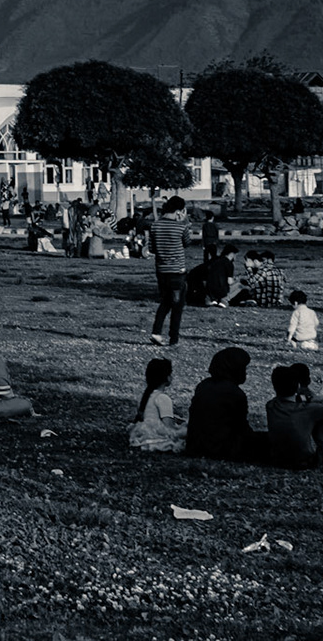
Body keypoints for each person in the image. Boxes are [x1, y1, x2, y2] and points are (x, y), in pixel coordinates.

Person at [185, 346, 264, 462]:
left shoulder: (204, 385)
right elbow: (240, 426)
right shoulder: (235, 393)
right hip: (220, 447)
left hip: (196, 444)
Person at [265, 364, 323, 469]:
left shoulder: (271, 405)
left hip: (277, 459)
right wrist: (313, 399)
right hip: (304, 462)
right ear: (298, 386)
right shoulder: (306, 409)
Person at [148, 196, 192, 346]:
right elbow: (187, 243)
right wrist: (184, 221)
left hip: (161, 270)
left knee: (166, 301)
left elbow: (151, 249)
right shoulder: (181, 227)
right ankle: (174, 338)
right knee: (177, 306)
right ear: (180, 211)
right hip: (177, 271)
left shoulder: (155, 226)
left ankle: (156, 331)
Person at [129, 357, 186, 453]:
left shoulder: (144, 397)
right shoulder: (163, 398)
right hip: (158, 434)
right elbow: (168, 426)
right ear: (167, 378)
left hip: (143, 433)